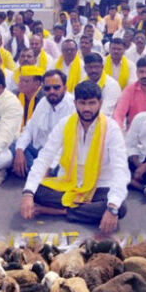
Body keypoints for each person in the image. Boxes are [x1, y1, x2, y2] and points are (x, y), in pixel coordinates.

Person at [21, 80, 128, 233]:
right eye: (82, 103)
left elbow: (120, 170)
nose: (87, 108)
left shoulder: (111, 129)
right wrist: (28, 193)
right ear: (75, 103)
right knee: (36, 190)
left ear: (100, 103)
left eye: (92, 103)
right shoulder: (65, 124)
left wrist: (112, 208)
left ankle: (60, 211)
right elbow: (45, 157)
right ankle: (83, 212)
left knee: (120, 207)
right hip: (70, 184)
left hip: (99, 187)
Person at [12, 70, 76, 178]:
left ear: (64, 88)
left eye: (56, 87)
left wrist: (50, 166)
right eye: (47, 88)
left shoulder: (72, 106)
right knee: (14, 144)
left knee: (59, 168)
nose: (52, 91)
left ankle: (33, 172)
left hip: (60, 157)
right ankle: (36, 173)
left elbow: (69, 144)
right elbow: (29, 128)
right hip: (40, 152)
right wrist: (19, 150)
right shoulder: (43, 102)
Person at [82, 53, 120, 118]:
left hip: (107, 121)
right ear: (85, 69)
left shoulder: (112, 85)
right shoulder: (81, 84)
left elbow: (105, 112)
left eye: (96, 67)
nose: (93, 70)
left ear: (102, 67)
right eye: (90, 67)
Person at [15, 65, 44, 131]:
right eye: (20, 80)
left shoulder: (44, 98)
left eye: (26, 81)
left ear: (37, 84)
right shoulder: (15, 95)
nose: (21, 83)